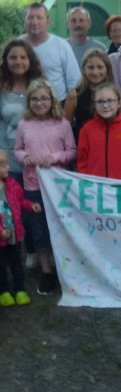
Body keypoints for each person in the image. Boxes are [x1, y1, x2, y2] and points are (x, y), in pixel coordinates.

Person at [14, 79, 76, 295]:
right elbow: (17, 149)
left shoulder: (63, 124)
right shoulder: (24, 124)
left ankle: (65, 268)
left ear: (51, 100)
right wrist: (25, 156)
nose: (40, 102)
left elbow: (72, 151)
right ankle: (47, 271)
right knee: (39, 229)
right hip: (33, 186)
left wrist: (56, 156)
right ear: (29, 102)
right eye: (35, 99)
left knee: (61, 226)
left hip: (59, 186)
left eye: (44, 98)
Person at [0, 39, 44, 270]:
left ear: (30, 60)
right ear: (6, 61)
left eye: (22, 57)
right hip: (10, 159)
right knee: (13, 207)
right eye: (13, 57)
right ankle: (17, 253)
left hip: (38, 160)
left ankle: (38, 251)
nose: (18, 61)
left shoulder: (40, 86)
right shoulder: (1, 88)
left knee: (35, 209)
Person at [77, 83, 121, 180]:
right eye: (100, 102)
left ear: (119, 103)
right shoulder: (86, 130)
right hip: (95, 189)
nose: (105, 105)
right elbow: (82, 163)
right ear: (94, 104)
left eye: (110, 101)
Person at [0, 149, 41, 307]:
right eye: (3, 166)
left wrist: (31, 206)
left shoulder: (12, 184)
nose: (8, 168)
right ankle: (3, 291)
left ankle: (19, 289)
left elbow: (21, 201)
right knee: (1, 266)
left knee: (16, 264)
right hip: (1, 239)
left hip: (14, 236)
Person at [64, 49, 121, 144]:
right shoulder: (74, 95)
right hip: (82, 145)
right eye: (91, 67)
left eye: (100, 67)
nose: (95, 72)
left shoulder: (118, 94)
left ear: (107, 69)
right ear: (84, 70)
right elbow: (65, 126)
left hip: (111, 144)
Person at [22, 2, 80, 102]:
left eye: (39, 18)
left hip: (57, 106)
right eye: (30, 17)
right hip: (23, 106)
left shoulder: (61, 45)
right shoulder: (16, 46)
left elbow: (74, 83)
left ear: (48, 21)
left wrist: (67, 114)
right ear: (25, 21)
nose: (34, 22)